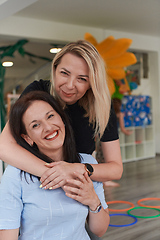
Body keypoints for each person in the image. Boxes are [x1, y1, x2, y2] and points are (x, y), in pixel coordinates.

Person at [0, 40, 122, 239]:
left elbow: (115, 168)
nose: (70, 85)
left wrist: (77, 171)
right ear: (54, 69)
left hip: (80, 188)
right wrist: (58, 174)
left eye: (82, 78)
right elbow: (4, 147)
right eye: (64, 73)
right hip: (44, 187)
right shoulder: (39, 93)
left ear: (92, 81)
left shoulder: (101, 107)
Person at [0, 91, 109, 240]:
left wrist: (93, 200)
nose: (48, 127)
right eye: (36, 125)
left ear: (62, 118)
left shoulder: (86, 163)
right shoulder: (16, 175)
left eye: (50, 116)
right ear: (27, 138)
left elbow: (99, 231)